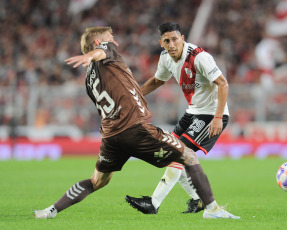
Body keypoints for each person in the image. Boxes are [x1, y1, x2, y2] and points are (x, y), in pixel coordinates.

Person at [33, 26, 240, 219]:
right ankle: (211, 209)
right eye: (109, 38)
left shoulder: (89, 79)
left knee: (96, 181)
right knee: (187, 155)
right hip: (134, 129)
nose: (114, 41)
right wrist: (91, 54)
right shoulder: (107, 52)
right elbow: (101, 52)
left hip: (110, 136)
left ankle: (50, 210)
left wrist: (134, 95)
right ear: (98, 42)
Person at [125, 22, 230, 214]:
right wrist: (134, 98)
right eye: (167, 41)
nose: (171, 44)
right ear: (161, 43)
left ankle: (153, 203)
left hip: (211, 114)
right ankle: (198, 200)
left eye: (175, 39)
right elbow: (158, 80)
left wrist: (217, 117)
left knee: (179, 153)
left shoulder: (200, 57)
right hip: (193, 112)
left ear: (182, 39)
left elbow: (223, 84)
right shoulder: (165, 57)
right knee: (172, 153)